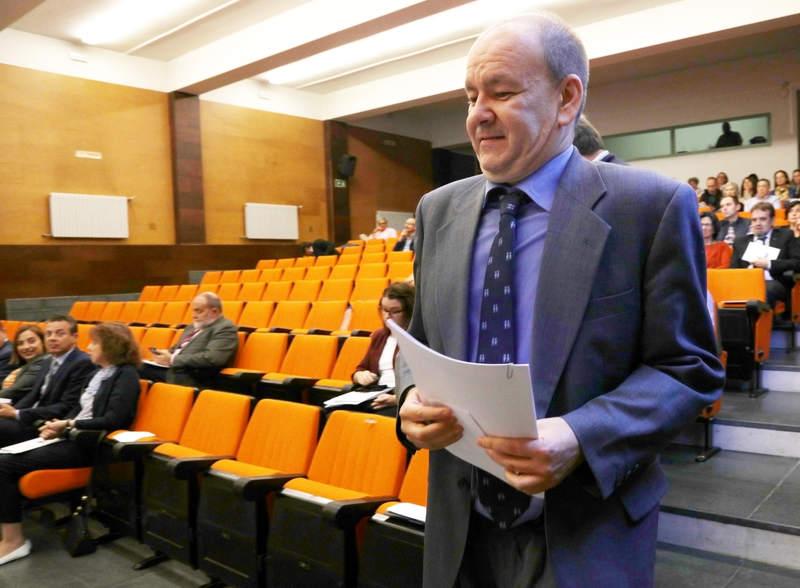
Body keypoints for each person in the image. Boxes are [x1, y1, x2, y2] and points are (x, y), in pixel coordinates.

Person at [396, 13, 723, 588]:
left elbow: (687, 368)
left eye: (502, 92)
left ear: (567, 99)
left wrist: (579, 435)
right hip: (459, 529)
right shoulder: (437, 210)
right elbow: (418, 342)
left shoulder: (649, 207)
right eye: (471, 96)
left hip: (586, 530)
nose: (477, 115)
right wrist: (407, 399)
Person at [0, 322, 141, 566]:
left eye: (94, 343)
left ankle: (14, 542)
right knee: (4, 457)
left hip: (87, 445)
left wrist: (67, 426)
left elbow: (114, 419)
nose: (89, 347)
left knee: (2, 464)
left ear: (111, 346)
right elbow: (79, 410)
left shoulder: (126, 374)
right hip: (70, 436)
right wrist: (56, 425)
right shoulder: (99, 373)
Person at [0, 316, 94, 447]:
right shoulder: (48, 360)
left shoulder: (82, 363)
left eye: (60, 334)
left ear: (75, 337)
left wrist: (17, 414)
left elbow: (66, 406)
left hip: (48, 426)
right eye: (48, 334)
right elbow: (33, 395)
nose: (52, 338)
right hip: (31, 419)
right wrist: (12, 412)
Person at [144, 292, 238, 389]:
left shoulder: (225, 328)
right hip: (174, 369)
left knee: (133, 370)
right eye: (193, 311)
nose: (194, 315)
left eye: (198, 311)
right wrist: (163, 354)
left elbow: (213, 358)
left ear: (214, 311)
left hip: (191, 376)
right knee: (136, 366)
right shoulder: (192, 327)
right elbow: (177, 348)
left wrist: (172, 359)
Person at [351, 282, 415, 416]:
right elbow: (361, 368)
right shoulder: (379, 336)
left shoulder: (417, 339)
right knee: (332, 413)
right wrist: (360, 376)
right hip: (375, 393)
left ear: (409, 312)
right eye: (385, 310)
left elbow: (425, 384)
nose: (387, 316)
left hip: (399, 400)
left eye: (395, 311)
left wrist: (397, 399)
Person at [730, 202, 796, 308]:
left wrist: (769, 264)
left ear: (772, 220)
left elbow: (796, 263)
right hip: (746, 282)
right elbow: (732, 270)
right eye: (754, 220)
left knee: (763, 289)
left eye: (763, 219)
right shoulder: (740, 242)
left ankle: (761, 323)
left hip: (774, 282)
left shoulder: (786, 236)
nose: (758, 223)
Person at [0, 325, 47, 404]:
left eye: (31, 341)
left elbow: (15, 391)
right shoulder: (25, 364)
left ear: (43, 342)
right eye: (20, 343)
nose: (26, 347)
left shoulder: (41, 363)